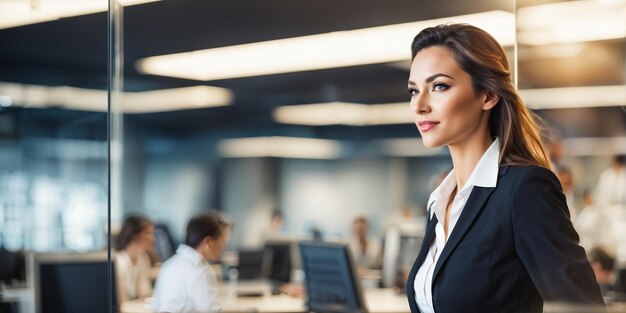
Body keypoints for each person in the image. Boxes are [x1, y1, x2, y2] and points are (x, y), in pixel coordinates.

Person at [405, 24, 604, 312]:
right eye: (413, 91)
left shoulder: (524, 189)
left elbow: (583, 306)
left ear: (487, 95)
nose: (419, 105)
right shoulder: (439, 201)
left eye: (439, 86)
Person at [151, 211, 231, 313]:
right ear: (208, 242)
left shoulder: (171, 265)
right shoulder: (188, 270)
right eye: (224, 241)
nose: (226, 247)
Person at [114, 214, 155, 304]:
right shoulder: (118, 262)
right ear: (135, 236)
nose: (153, 238)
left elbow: (144, 295)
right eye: (148, 233)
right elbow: (122, 303)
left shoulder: (143, 258)